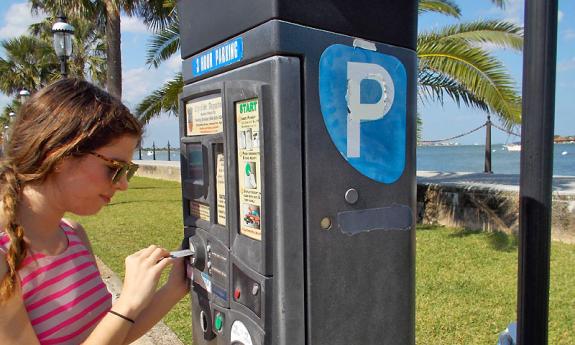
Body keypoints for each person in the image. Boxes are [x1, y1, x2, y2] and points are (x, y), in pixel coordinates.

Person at [0, 78, 188, 344]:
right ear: (60, 154)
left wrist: (173, 289)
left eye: (128, 171)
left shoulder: (74, 235)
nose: (123, 184)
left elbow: (112, 337)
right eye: (114, 168)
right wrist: (128, 304)